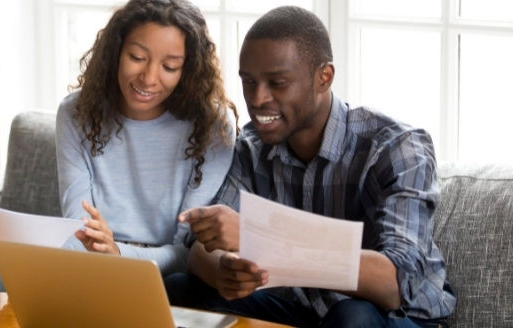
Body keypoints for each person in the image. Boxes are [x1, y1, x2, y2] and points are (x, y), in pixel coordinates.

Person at [164, 5, 457, 327]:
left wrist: (260, 237)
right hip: (306, 315)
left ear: (324, 77)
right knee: (181, 288)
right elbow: (199, 250)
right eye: (248, 82)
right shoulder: (252, 147)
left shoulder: (396, 147)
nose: (258, 98)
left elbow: (396, 284)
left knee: (353, 315)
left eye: (277, 82)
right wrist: (222, 269)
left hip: (394, 317)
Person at [55, 0, 238, 276]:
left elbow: (187, 251)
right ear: (116, 52)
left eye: (170, 67)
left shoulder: (213, 126)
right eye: (137, 58)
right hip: (90, 266)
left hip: (168, 276)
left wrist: (117, 253)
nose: (149, 78)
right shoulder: (76, 113)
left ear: (187, 71)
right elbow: (78, 228)